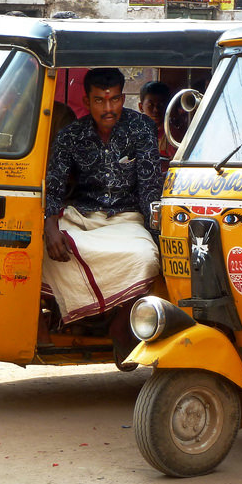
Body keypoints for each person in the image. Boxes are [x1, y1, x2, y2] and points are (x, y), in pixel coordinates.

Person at [42, 68, 163, 364]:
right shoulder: (71, 134)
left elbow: (150, 188)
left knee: (147, 260)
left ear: (123, 98)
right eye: (99, 101)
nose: (108, 109)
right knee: (43, 251)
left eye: (114, 100)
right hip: (82, 216)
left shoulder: (142, 129)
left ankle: (121, 324)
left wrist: (159, 234)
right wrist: (50, 226)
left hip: (126, 219)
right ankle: (71, 317)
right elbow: (54, 183)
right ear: (87, 100)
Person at [137, 80, 175, 167]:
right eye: (150, 105)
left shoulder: (172, 135)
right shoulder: (133, 132)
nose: (156, 110)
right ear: (141, 107)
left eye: (161, 105)